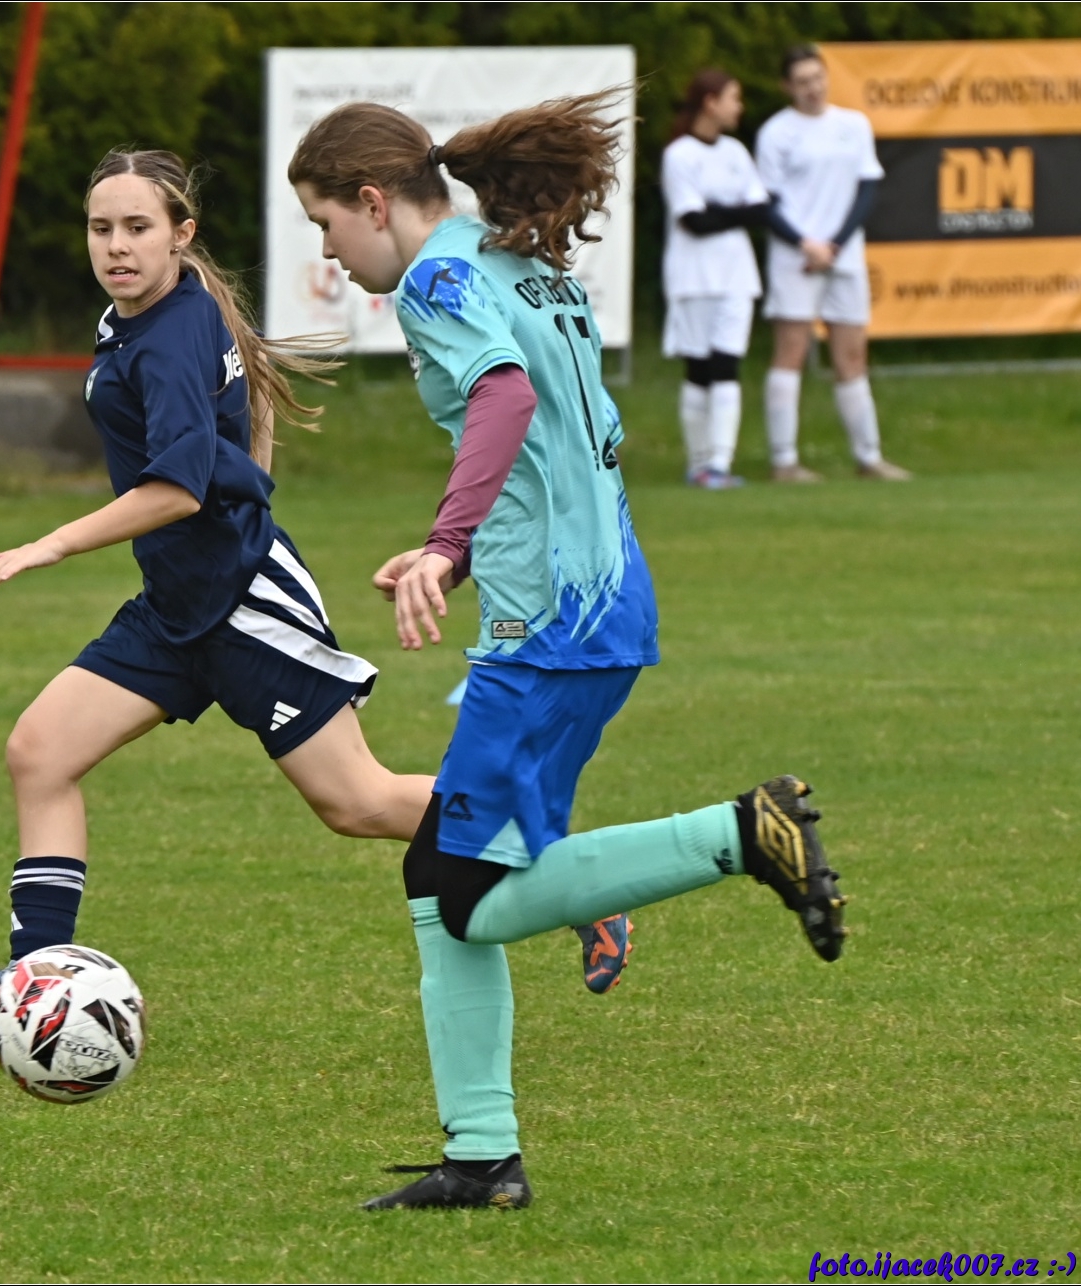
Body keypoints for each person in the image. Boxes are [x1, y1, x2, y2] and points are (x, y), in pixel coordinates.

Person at [0, 148, 637, 1038]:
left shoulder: (171, 334)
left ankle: (573, 878)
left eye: (137, 228)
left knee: (357, 801)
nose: (117, 246)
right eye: (101, 229)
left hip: (245, 604)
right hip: (178, 604)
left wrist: (50, 544)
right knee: (39, 753)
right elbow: (235, 425)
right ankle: (31, 981)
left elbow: (178, 489)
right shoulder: (147, 314)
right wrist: (242, 483)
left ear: (182, 233)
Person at [288, 95, 850, 1211]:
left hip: (549, 624)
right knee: (439, 875)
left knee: (466, 898)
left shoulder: (440, 280)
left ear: (372, 203)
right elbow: (564, 440)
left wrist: (446, 544)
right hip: (598, 601)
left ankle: (742, 831)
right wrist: (464, 544)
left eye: (325, 225)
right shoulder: (521, 263)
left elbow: (503, 399)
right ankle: (481, 1157)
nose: (330, 252)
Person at [757, 45, 911, 482]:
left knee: (852, 354)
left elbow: (867, 188)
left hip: (844, 254)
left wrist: (836, 244)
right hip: (796, 256)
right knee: (790, 351)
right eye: (802, 81)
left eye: (817, 78)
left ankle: (869, 457)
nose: (813, 88)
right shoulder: (776, 133)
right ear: (787, 87)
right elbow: (766, 201)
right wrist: (805, 244)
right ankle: (784, 461)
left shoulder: (853, 124)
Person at [662, 69, 771, 489]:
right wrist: (733, 211)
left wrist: (719, 210)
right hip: (693, 277)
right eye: (733, 98)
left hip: (737, 276)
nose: (738, 107)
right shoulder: (680, 155)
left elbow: (759, 209)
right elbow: (694, 220)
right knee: (700, 368)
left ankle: (720, 464)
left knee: (727, 364)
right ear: (711, 102)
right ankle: (699, 463)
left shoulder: (736, 152)